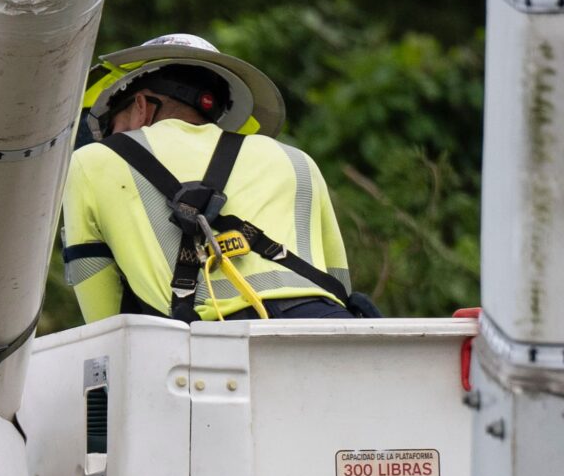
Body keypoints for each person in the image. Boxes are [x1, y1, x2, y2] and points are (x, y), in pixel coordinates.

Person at [59, 34, 369, 324]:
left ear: (140, 106)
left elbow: (104, 316)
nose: (113, 137)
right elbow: (338, 281)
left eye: (114, 124)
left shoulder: (93, 160)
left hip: (211, 342)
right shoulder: (297, 160)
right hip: (323, 327)